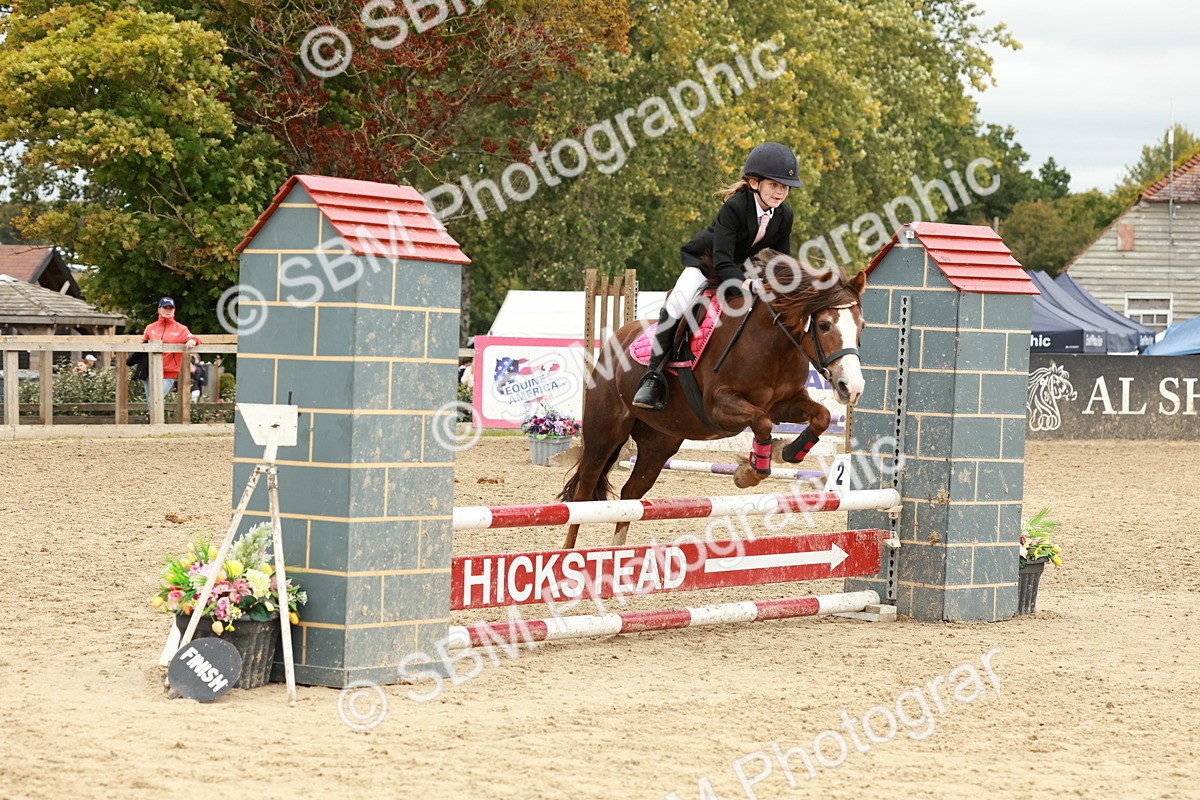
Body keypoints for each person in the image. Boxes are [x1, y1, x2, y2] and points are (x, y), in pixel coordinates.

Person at [631, 142, 801, 411]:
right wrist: (747, 284)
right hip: (706, 262)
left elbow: (782, 260)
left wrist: (792, 283)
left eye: (785, 186)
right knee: (678, 301)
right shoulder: (735, 207)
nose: (781, 192)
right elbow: (721, 260)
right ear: (754, 183)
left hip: (740, 264)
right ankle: (653, 376)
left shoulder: (784, 215)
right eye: (774, 185)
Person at [141, 297, 200, 400]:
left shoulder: (181, 329)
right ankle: (151, 416)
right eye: (165, 308)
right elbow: (142, 343)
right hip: (149, 370)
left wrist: (192, 341)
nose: (168, 310)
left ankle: (152, 415)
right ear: (159, 310)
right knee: (150, 401)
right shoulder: (150, 328)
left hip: (169, 372)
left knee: (156, 399)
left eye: (170, 308)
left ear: (174, 310)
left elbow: (193, 338)